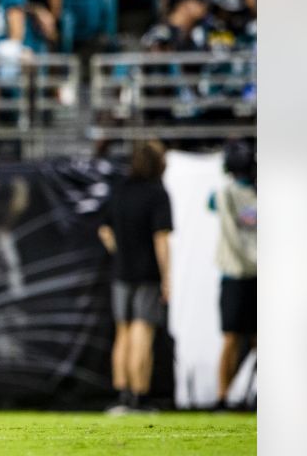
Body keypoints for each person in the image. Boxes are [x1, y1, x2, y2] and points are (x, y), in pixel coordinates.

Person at [98, 140, 174, 413]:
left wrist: (121, 253)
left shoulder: (119, 190)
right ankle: (140, 396)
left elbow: (104, 231)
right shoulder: (157, 194)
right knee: (143, 330)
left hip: (121, 272)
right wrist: (167, 277)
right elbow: (161, 239)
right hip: (147, 273)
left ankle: (122, 395)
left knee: (123, 333)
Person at [213, 139, 256, 411]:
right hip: (234, 276)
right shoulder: (226, 194)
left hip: (257, 278)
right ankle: (223, 396)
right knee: (231, 337)